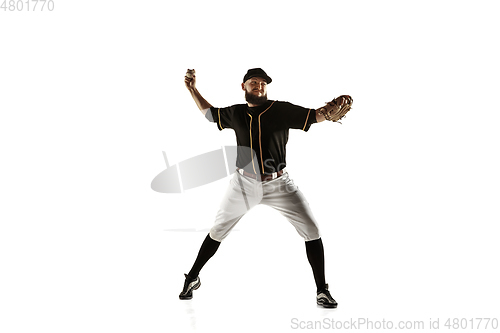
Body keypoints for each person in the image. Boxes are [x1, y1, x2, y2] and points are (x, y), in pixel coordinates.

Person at [179, 68, 350, 308]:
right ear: (244, 87)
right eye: (254, 82)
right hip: (243, 184)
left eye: (263, 83)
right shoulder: (235, 112)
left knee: (311, 229)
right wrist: (193, 90)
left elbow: (315, 115)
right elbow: (210, 115)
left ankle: (322, 290)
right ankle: (192, 277)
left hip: (278, 183)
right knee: (217, 231)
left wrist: (325, 113)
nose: (259, 85)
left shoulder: (281, 110)